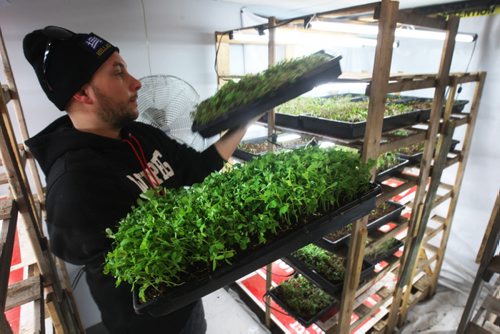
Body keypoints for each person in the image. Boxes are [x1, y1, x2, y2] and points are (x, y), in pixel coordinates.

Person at [23, 26, 251, 334]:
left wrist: (245, 121)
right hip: (145, 325)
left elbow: (197, 167)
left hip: (187, 303)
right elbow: (122, 264)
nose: (136, 83)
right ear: (81, 93)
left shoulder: (142, 135)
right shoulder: (74, 183)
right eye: (118, 73)